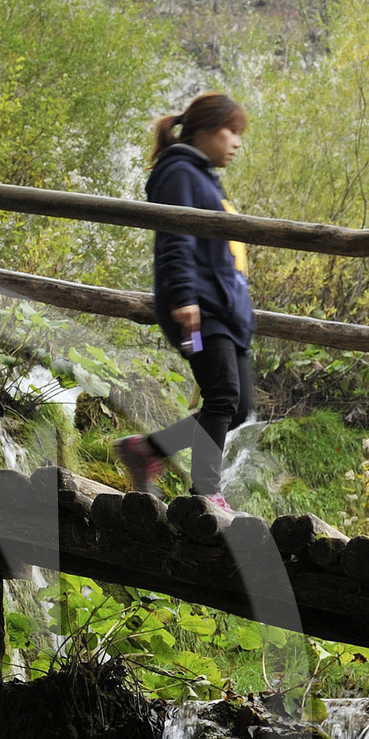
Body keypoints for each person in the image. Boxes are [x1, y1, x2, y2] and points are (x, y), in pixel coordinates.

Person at [118, 91, 253, 521]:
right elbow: (173, 240)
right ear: (205, 130)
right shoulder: (178, 172)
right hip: (198, 308)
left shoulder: (205, 178)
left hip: (225, 312)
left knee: (239, 405)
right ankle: (205, 493)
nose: (237, 142)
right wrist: (183, 298)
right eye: (232, 131)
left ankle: (147, 449)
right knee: (222, 395)